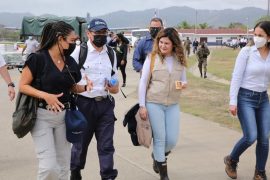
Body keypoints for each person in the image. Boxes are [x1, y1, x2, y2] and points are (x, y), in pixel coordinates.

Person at [18, 21, 93, 180]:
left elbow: (71, 87)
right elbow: (23, 86)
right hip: (41, 117)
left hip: (64, 118)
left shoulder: (70, 62)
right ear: (60, 38)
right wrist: (46, 96)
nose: (75, 44)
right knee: (49, 167)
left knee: (63, 165)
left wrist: (85, 88)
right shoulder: (37, 59)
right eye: (72, 41)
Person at [70, 18, 119, 180]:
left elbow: (116, 86)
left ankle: (108, 176)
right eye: (97, 33)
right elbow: (68, 81)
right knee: (80, 144)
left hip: (105, 105)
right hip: (83, 104)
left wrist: (112, 87)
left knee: (106, 145)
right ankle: (75, 171)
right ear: (88, 33)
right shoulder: (79, 52)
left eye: (104, 32)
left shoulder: (111, 53)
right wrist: (83, 87)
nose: (101, 36)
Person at [138, 27, 187, 180]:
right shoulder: (152, 58)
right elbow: (143, 82)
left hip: (173, 104)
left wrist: (183, 84)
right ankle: (164, 175)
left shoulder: (180, 59)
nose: (163, 46)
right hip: (154, 103)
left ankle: (157, 156)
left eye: (167, 43)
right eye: (161, 42)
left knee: (171, 140)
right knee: (160, 138)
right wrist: (142, 105)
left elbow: (184, 79)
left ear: (174, 44)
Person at [225, 21, 270, 180]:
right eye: (255, 34)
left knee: (264, 138)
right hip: (245, 98)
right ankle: (231, 159)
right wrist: (233, 101)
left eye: (260, 35)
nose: (256, 38)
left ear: (269, 37)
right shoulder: (246, 52)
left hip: (263, 99)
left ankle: (260, 172)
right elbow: (236, 77)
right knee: (251, 136)